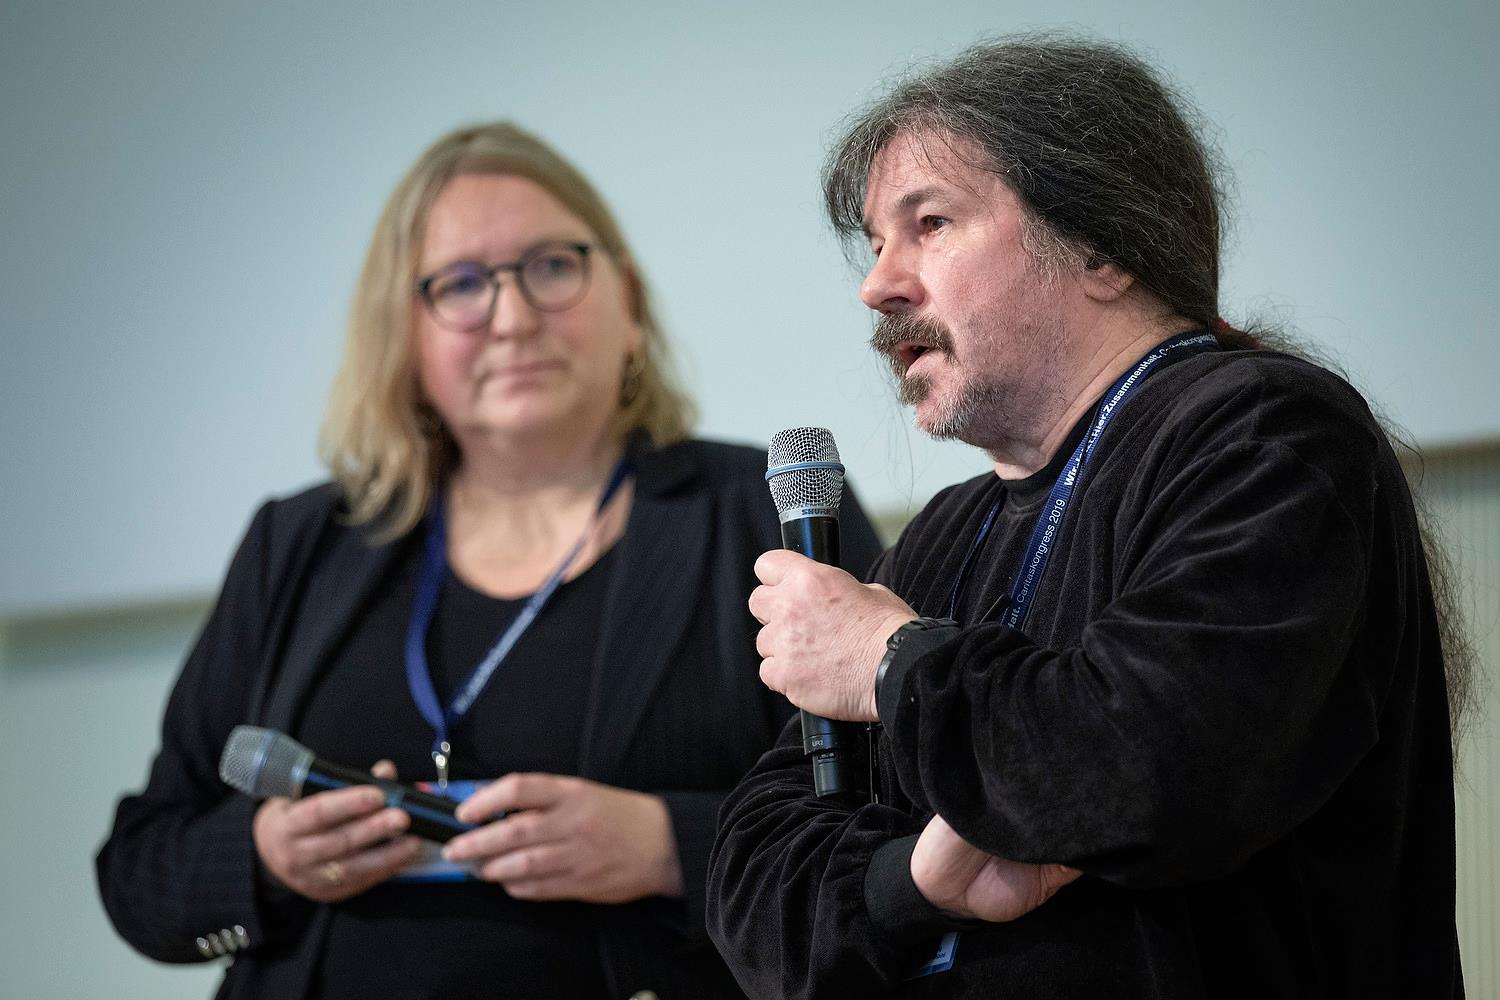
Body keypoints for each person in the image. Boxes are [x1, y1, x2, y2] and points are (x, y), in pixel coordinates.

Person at [706, 37, 1469, 998]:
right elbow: (752, 881)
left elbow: (1153, 760)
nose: (879, 284)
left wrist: (889, 662)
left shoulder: (1268, 434)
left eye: (930, 223)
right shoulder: (944, 531)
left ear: (1102, 243)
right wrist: (909, 885)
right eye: (875, 243)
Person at [96, 121, 882, 999]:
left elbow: (885, 820)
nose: (512, 317)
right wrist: (264, 856)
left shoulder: (759, 512)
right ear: (405, 335)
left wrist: (669, 847)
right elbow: (139, 868)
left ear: (626, 301)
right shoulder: (301, 544)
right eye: (462, 284)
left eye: (552, 266)